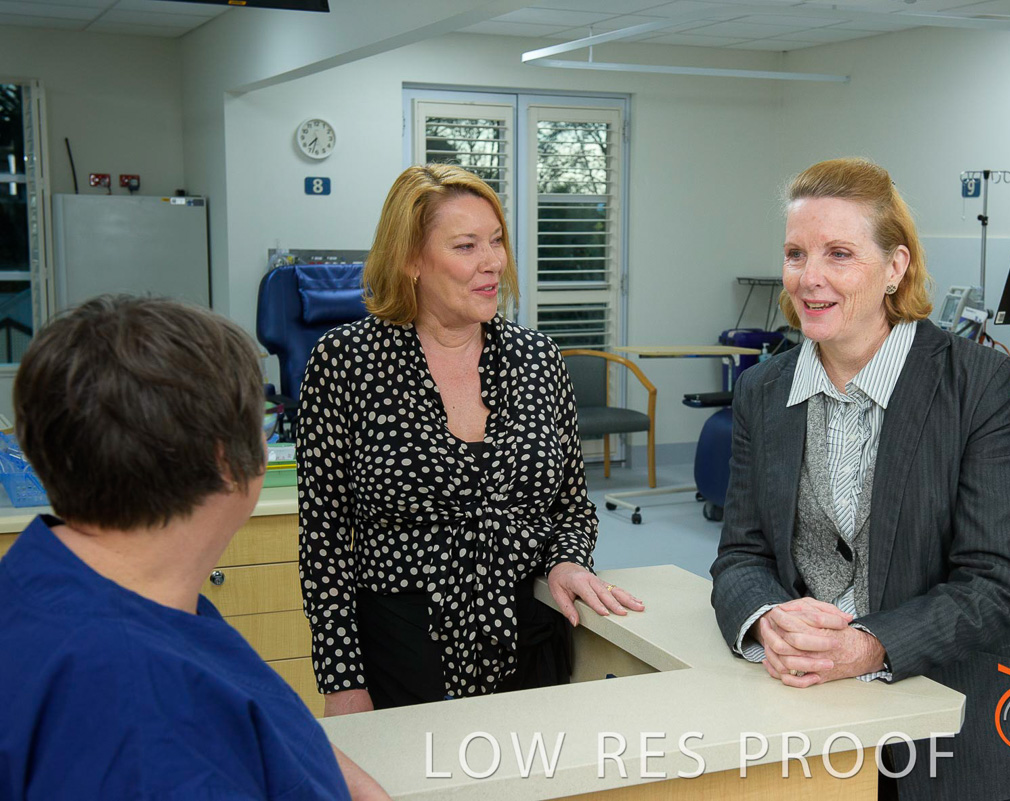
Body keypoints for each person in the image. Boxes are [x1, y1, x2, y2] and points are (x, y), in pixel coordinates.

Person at [709, 158, 1010, 800]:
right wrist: (766, 621)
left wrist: (870, 645)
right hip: (808, 719)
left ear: (895, 267)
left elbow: (994, 580)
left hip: (951, 720)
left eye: (839, 254)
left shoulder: (975, 383)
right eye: (796, 254)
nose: (809, 277)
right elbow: (741, 553)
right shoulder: (763, 390)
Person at [0, 296, 387, 800]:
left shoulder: (74, 580)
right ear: (226, 460)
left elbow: (269, 722)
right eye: (261, 419)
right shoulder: (140, 707)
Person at [299, 164, 644, 716]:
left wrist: (567, 561)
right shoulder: (346, 361)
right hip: (401, 655)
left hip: (530, 642)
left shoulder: (538, 360)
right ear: (410, 259)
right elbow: (325, 537)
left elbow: (572, 506)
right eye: (466, 246)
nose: (493, 262)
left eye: (497, 241)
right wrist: (342, 679)